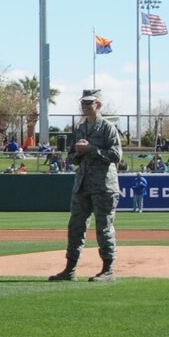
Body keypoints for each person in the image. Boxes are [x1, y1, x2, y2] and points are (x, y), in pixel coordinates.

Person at [51, 90, 124, 282]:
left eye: (89, 103)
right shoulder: (80, 128)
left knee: (104, 227)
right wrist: (78, 152)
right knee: (75, 226)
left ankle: (108, 269)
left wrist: (92, 149)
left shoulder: (108, 127)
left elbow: (116, 156)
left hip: (103, 186)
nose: (85, 107)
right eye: (83, 103)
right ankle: (70, 269)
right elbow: (72, 158)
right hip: (82, 184)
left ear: (98, 105)